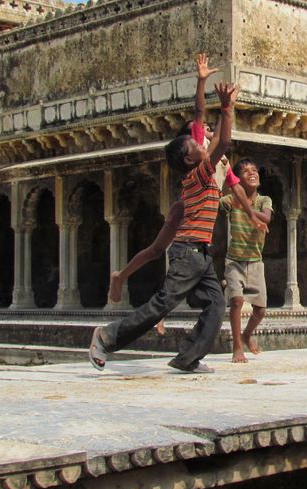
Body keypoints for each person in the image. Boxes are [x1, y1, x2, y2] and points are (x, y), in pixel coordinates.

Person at [106, 54, 267, 337]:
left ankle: (123, 277)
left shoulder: (222, 160)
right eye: (200, 133)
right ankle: (134, 301)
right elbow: (201, 114)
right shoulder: (200, 147)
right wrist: (203, 82)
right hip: (188, 205)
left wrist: (253, 214)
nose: (203, 131)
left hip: (198, 206)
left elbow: (236, 186)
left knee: (161, 252)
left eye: (205, 131)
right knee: (175, 260)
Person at [89, 78, 239, 373]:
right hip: (188, 253)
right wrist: (225, 107)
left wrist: (225, 107)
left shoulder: (202, 172)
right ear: (189, 158)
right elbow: (223, 141)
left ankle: (187, 358)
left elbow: (216, 136)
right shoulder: (199, 175)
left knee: (217, 305)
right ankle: (106, 337)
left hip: (201, 255)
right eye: (196, 144)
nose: (201, 142)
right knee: (162, 305)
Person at [220, 157, 273, 363]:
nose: (252, 173)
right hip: (234, 259)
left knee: (260, 311)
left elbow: (267, 218)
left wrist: (243, 206)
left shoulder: (264, 200)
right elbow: (216, 200)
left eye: (254, 170)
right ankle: (237, 346)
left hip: (255, 261)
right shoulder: (229, 201)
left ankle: (247, 334)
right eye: (245, 171)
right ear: (237, 181)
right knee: (236, 302)